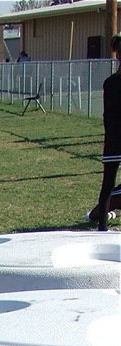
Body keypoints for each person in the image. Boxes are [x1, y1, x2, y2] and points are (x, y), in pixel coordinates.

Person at [86, 34, 121, 231]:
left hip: (113, 139)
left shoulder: (109, 83)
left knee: (107, 183)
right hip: (115, 138)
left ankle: (102, 227)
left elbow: (108, 116)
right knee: (109, 184)